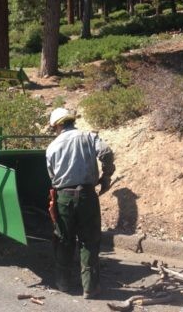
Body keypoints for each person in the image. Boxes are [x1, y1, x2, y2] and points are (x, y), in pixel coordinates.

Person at [45, 107, 115, 299]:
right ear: (71, 121)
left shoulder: (52, 147)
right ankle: (90, 288)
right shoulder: (88, 137)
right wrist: (106, 176)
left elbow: (52, 176)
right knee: (89, 241)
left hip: (63, 197)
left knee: (64, 239)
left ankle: (63, 284)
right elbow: (107, 153)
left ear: (58, 125)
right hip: (86, 195)